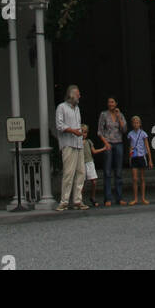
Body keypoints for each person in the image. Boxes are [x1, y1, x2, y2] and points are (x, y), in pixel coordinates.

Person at [54, 84, 88, 212]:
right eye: (78, 94)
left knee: (81, 173)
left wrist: (79, 133)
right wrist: (73, 131)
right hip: (68, 144)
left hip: (78, 144)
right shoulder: (61, 107)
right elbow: (59, 125)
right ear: (72, 95)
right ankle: (64, 201)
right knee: (68, 173)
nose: (79, 96)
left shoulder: (77, 108)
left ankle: (77, 200)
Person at [97, 96, 128, 206]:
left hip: (118, 143)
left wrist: (119, 116)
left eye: (112, 102)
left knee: (118, 172)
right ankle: (108, 198)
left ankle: (119, 198)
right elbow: (100, 131)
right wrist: (106, 143)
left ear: (116, 103)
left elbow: (124, 129)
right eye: (109, 102)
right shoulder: (104, 114)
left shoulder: (120, 115)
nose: (110, 104)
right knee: (107, 171)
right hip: (108, 143)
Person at [126, 115, 153, 204]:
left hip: (141, 156)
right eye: (134, 123)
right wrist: (130, 156)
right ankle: (135, 198)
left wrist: (150, 160)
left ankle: (143, 198)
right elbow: (130, 146)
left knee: (142, 178)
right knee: (134, 178)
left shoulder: (143, 134)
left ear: (140, 124)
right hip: (134, 157)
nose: (136, 124)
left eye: (137, 123)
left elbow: (147, 147)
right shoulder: (130, 134)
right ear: (132, 124)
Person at [81, 122, 106, 207]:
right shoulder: (78, 142)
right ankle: (80, 199)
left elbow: (94, 151)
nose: (84, 134)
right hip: (82, 163)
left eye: (85, 132)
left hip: (90, 162)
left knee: (94, 181)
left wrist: (103, 148)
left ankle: (93, 197)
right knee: (82, 183)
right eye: (82, 132)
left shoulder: (89, 142)